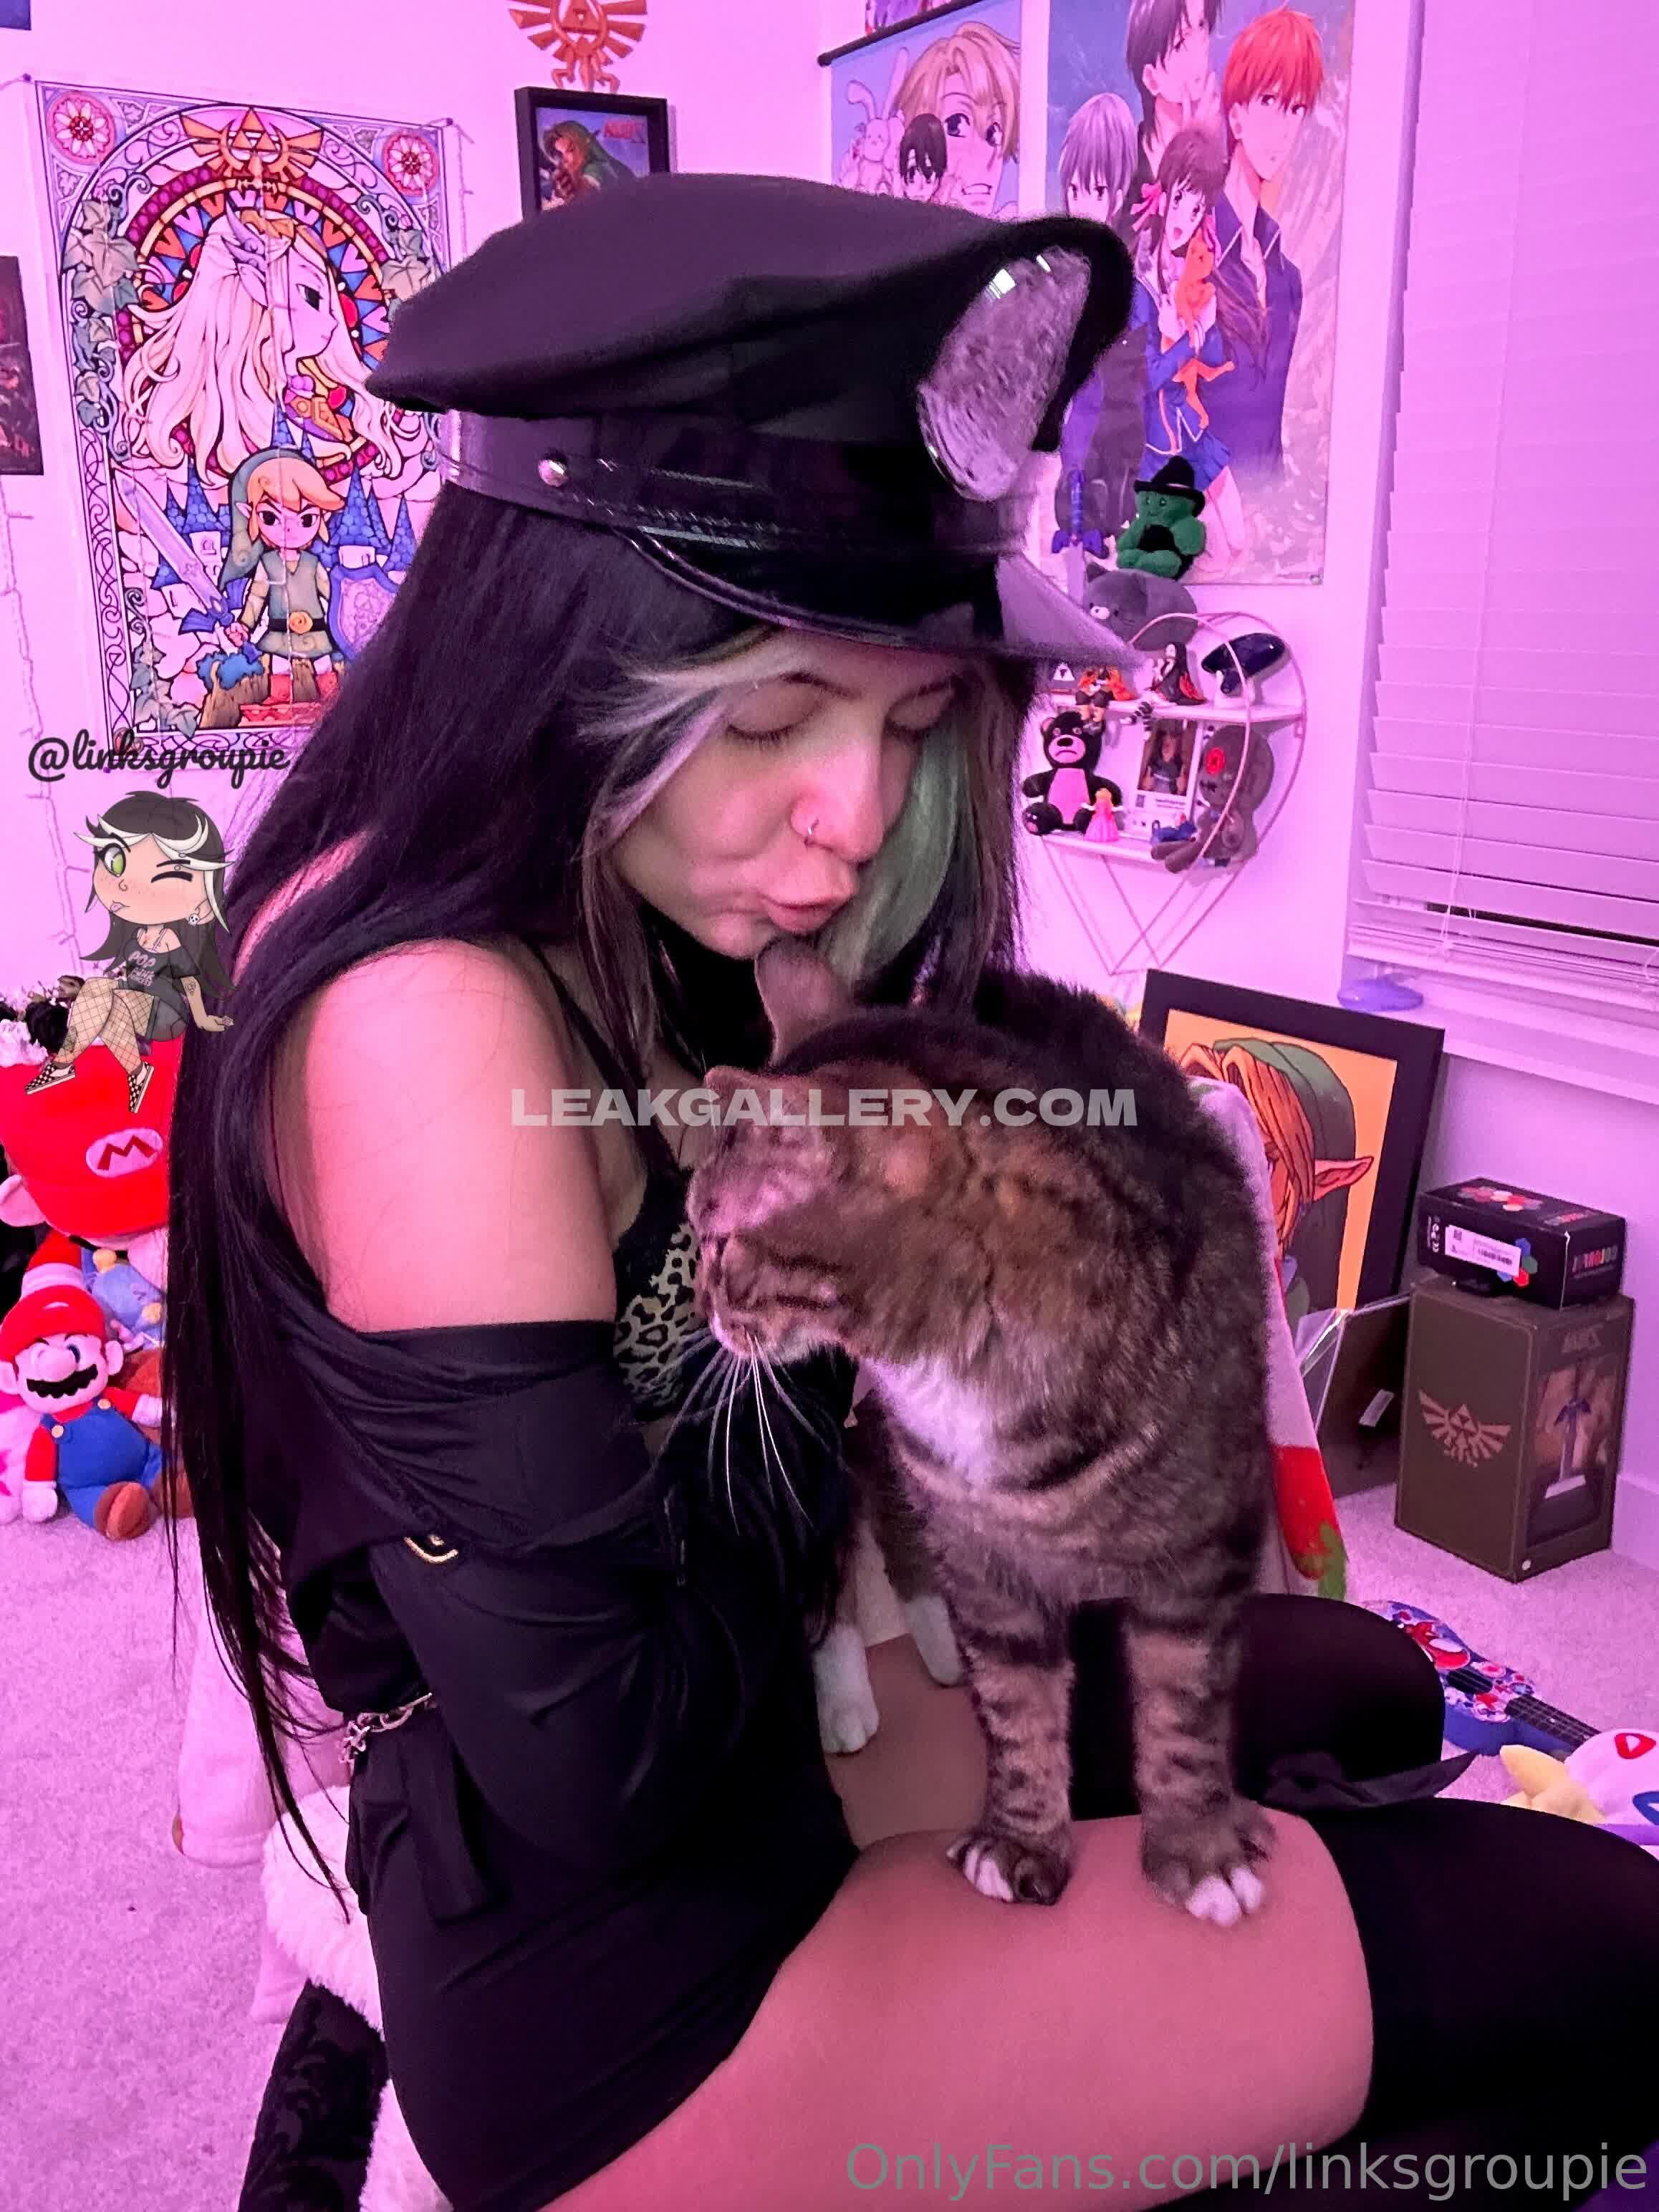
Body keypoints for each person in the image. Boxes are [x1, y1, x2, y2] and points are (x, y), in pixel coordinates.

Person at [168, 177, 1659, 2212]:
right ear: (552, 646)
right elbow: (602, 1758)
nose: (853, 818)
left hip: (776, 1736)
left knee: (1369, 1684)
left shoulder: (637, 889)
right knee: (1581, 1944)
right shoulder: (424, 1013)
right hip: (651, 1976)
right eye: (772, 714)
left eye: (912, 716)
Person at [1208, 6, 1324, 483]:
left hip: (1265, 511)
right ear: (1236, 116)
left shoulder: (1286, 281)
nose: (1285, 127)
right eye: (1271, 101)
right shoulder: (1193, 254)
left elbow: (1270, 436)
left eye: (1296, 109)